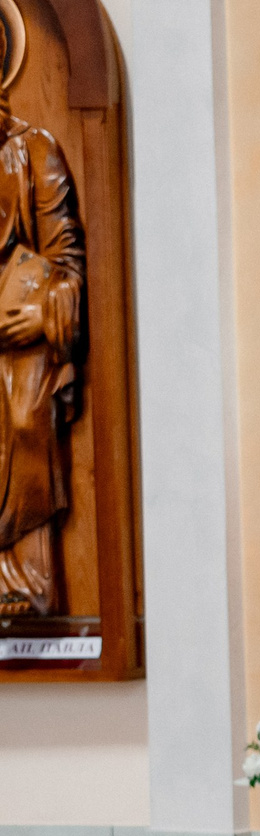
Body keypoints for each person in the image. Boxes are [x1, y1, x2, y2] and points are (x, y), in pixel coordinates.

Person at [0, 81, 82, 620]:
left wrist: (44, 312)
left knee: (27, 415)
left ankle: (25, 583)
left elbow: (67, 260)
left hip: (19, 331)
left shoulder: (36, 150)